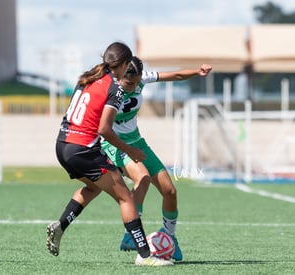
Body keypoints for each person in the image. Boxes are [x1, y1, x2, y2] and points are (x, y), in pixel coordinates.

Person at [46, 42, 173, 266]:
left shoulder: (86, 77)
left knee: (94, 187)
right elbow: (104, 129)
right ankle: (145, 256)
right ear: (124, 64)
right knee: (126, 197)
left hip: (63, 144)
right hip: (83, 148)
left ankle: (61, 225)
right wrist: (130, 150)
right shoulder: (115, 87)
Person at [101, 56, 212, 261]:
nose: (132, 87)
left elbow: (175, 75)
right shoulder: (108, 86)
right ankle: (130, 235)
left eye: (136, 83)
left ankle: (169, 237)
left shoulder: (142, 79)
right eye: (128, 83)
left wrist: (197, 72)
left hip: (137, 142)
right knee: (142, 178)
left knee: (170, 191)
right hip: (114, 144)